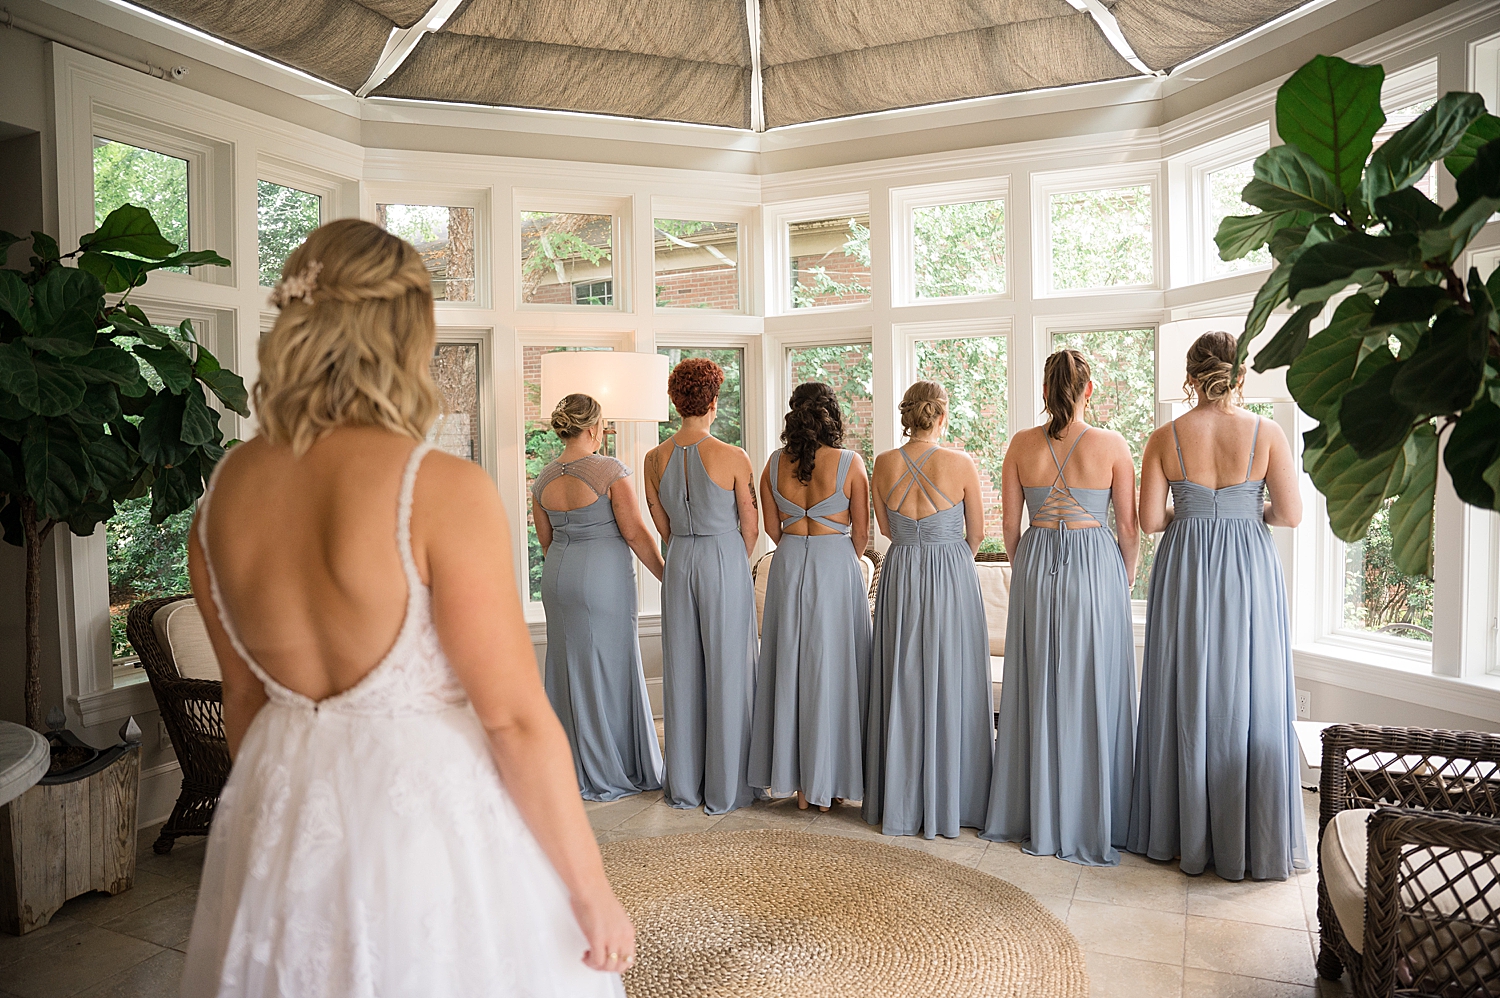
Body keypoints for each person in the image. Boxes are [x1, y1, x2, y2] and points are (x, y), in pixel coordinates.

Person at [180, 219, 632, 997]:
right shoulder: (439, 490)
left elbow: (246, 699)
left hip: (284, 813)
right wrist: (591, 894)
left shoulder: (223, 495)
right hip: (424, 826)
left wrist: (278, 830)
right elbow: (514, 721)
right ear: (405, 333)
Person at [1127, 330, 1308, 881]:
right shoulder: (1267, 432)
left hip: (1185, 564)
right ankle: (1247, 839)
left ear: (1190, 374)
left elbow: (1152, 522)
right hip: (1248, 565)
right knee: (1246, 686)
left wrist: (1196, 515)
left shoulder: (1165, 436)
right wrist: (1243, 513)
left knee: (1185, 686)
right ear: (1241, 371)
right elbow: (1291, 514)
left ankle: (1184, 835)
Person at [982, 349, 1138, 866]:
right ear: (1088, 390)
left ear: (1045, 391)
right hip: (1095, 566)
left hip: (1035, 558)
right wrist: (1125, 578)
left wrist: (1026, 562)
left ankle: (1037, 811)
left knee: (1038, 684)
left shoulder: (1021, 445)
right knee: (1091, 684)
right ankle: (1092, 814)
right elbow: (1129, 529)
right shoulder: (1112, 445)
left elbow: (1009, 528)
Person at [863, 381, 992, 838]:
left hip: (901, 569)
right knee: (950, 678)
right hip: (949, 571)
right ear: (941, 415)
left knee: (902, 678)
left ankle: (898, 799)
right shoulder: (960, 463)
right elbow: (976, 532)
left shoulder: (881, 464)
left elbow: (883, 525)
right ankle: (953, 798)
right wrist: (948, 558)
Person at [533, 393, 664, 802]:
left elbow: (546, 542)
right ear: (592, 428)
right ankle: (611, 765)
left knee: (568, 668)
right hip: (601, 583)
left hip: (558, 580)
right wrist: (667, 576)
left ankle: (567, 764)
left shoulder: (543, 477)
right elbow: (636, 534)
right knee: (609, 669)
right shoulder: (609, 470)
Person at [747, 382, 872, 811]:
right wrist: (834, 556)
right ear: (831, 415)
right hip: (835, 566)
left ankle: (798, 785)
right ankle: (829, 783)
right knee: (833, 672)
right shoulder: (850, 462)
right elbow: (862, 534)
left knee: (790, 668)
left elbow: (773, 530)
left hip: (787, 565)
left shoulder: (771, 464)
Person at [644, 358, 759, 815]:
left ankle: (686, 785)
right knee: (729, 670)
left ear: (676, 403)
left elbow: (661, 525)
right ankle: (728, 786)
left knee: (683, 670)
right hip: (722, 556)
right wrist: (729, 558)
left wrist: (683, 555)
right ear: (713, 401)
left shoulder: (654, 458)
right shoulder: (732, 456)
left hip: (680, 561)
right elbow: (751, 527)